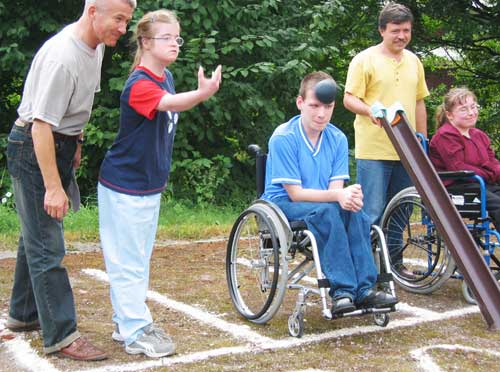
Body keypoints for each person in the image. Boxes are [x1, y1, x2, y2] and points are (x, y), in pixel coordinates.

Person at [5, 0, 136, 361]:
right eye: (119, 19)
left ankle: (23, 313)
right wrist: (52, 185)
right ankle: (63, 336)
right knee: (49, 244)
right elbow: (41, 125)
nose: (123, 28)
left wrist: (75, 144)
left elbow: (75, 108)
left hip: (59, 142)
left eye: (127, 20)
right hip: (35, 146)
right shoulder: (63, 57)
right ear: (93, 11)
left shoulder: (93, 48)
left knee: (36, 234)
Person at [97, 9, 222, 358]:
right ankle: (135, 331)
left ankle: (128, 322)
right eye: (166, 38)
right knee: (128, 261)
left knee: (138, 259)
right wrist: (202, 93)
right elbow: (168, 103)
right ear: (146, 42)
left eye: (177, 38)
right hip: (124, 187)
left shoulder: (163, 75)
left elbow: (169, 101)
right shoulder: (140, 84)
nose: (175, 44)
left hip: (147, 187)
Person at [262, 71, 397, 314]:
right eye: (314, 105)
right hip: (282, 204)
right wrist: (338, 197)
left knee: (355, 212)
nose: (321, 113)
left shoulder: (337, 138)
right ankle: (343, 291)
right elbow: (295, 194)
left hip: (322, 204)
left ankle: (365, 289)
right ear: (300, 103)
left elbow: (336, 193)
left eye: (328, 106)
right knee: (329, 213)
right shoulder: (284, 137)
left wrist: (348, 197)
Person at [343, 2, 429, 269]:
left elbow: (419, 102)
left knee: (402, 210)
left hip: (407, 149)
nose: (401, 36)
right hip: (374, 149)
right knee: (372, 212)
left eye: (406, 30)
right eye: (395, 30)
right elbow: (348, 99)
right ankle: (365, 265)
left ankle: (393, 263)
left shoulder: (414, 61)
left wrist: (423, 141)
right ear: (382, 30)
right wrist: (370, 111)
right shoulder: (364, 60)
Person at [429, 87, 500, 231]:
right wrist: (488, 174)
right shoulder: (445, 136)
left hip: (481, 183)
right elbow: (458, 167)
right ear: (449, 115)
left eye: (473, 107)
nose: (471, 113)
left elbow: (492, 162)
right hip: (457, 186)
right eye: (463, 109)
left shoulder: (478, 135)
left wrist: (493, 173)